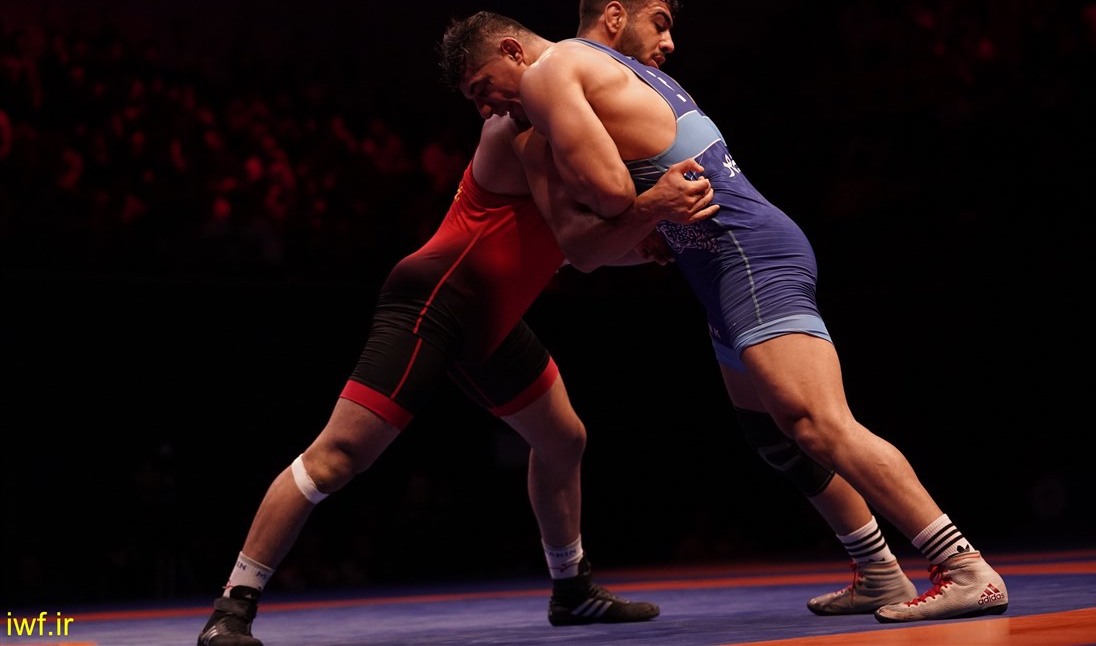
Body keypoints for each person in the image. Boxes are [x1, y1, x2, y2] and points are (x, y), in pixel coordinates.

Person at [437, 0, 1010, 624]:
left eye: (482, 90)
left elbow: (614, 196)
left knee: (818, 422)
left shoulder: (554, 69)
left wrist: (639, 211)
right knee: (773, 435)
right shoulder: (620, 75)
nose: (487, 110)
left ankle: (964, 566)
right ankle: (881, 571)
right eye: (661, 25)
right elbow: (617, 222)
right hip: (731, 261)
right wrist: (646, 220)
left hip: (747, 257)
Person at [196, 99, 718, 645]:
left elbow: (579, 247)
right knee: (337, 456)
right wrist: (648, 213)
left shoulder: (576, 158)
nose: (485, 100)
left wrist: (646, 244)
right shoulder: (521, 130)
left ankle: (572, 590)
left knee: (564, 440)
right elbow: (583, 244)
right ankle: (231, 609)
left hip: (492, 319)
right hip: (433, 304)